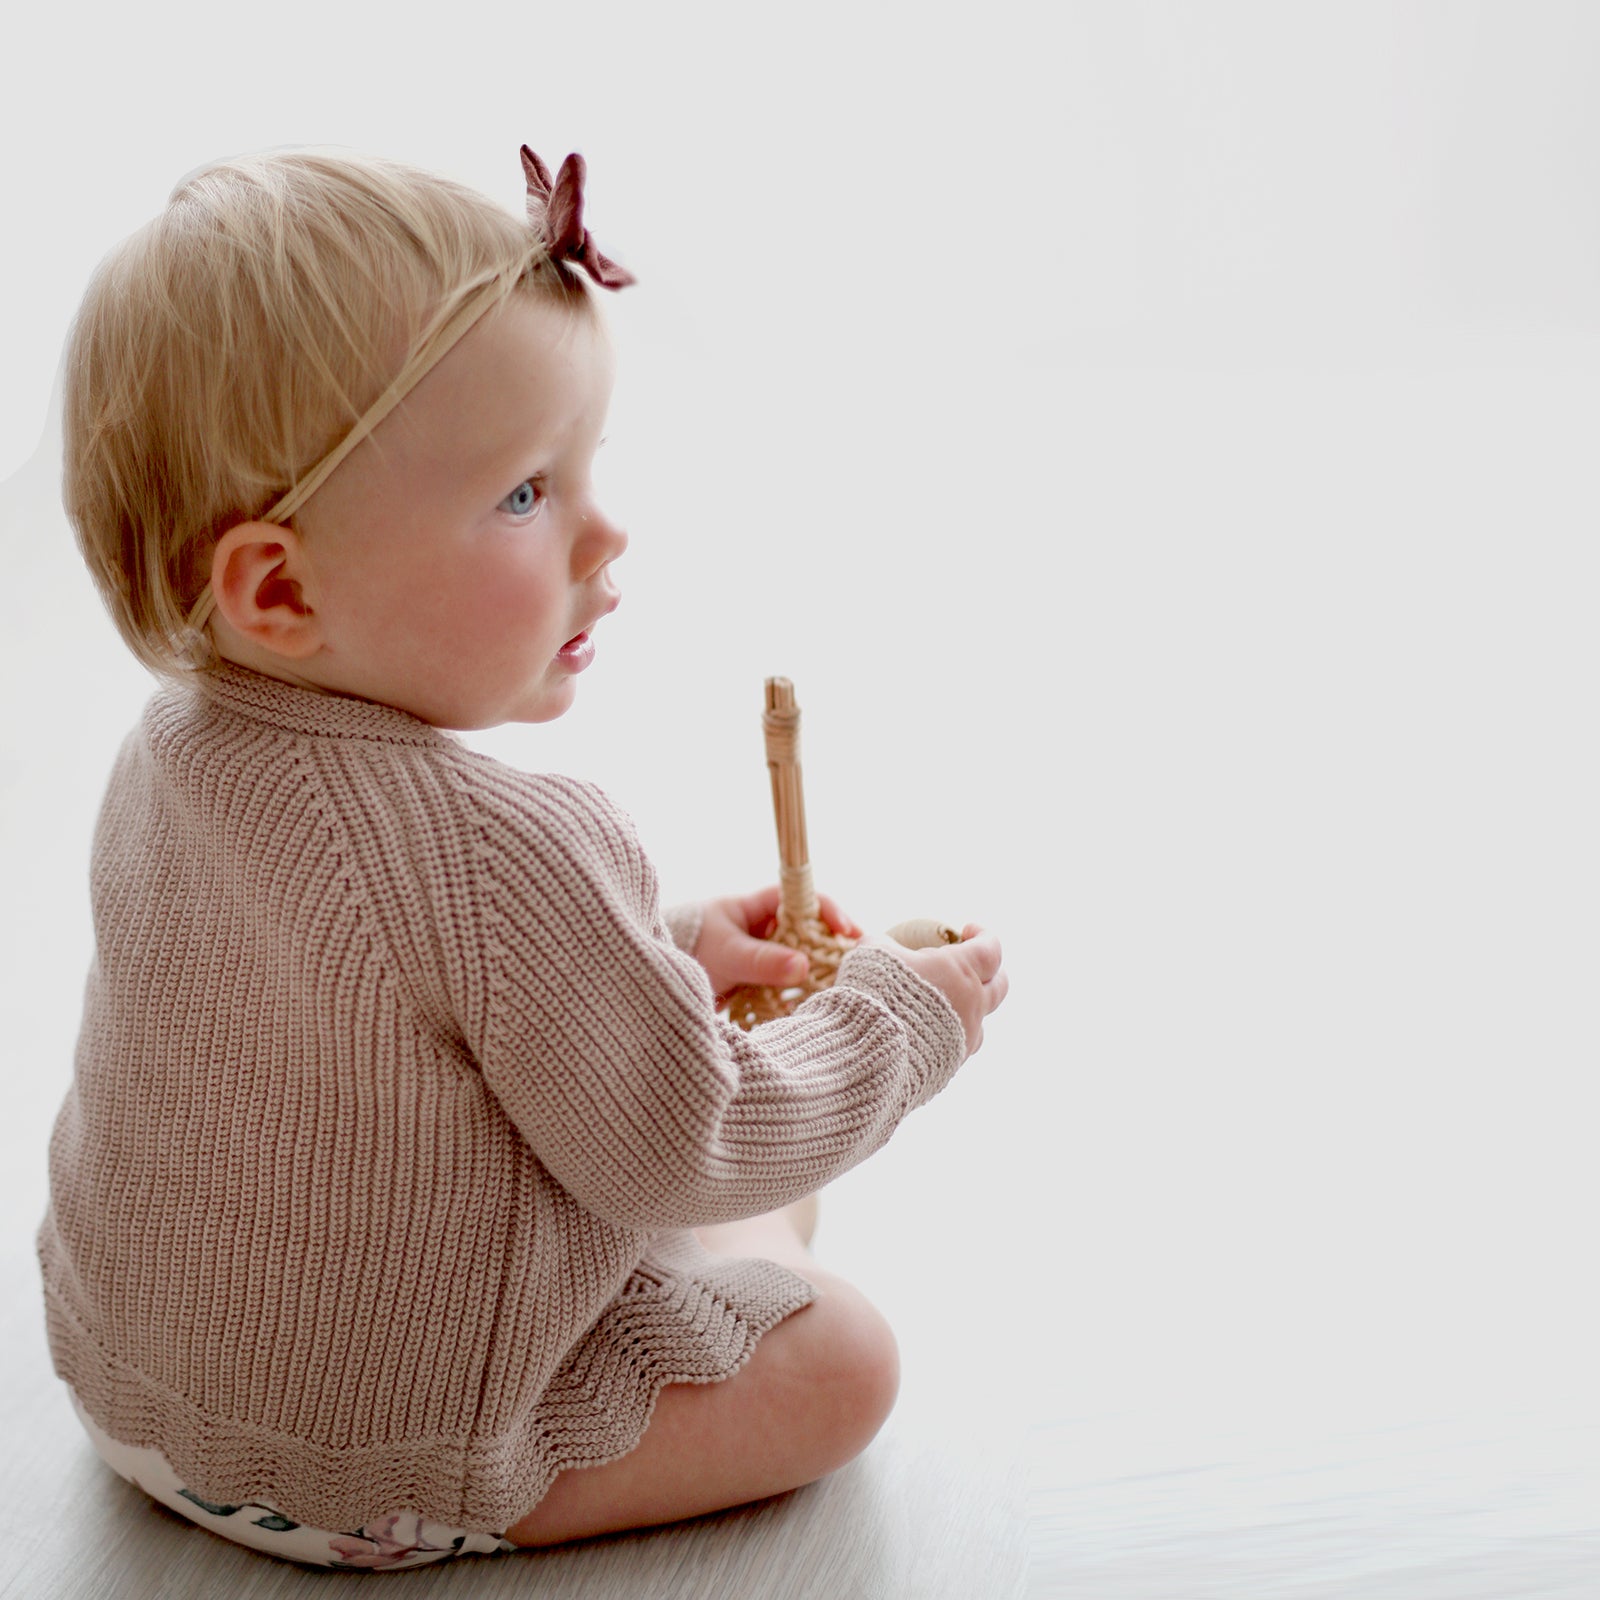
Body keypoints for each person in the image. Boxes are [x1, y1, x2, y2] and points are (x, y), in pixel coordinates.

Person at [37, 143, 1009, 1572]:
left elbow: (355, 1001)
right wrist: (903, 1020)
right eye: (521, 494)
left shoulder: (167, 749)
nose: (605, 529)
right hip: (363, 1476)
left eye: (586, 464)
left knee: (692, 1147)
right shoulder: (512, 848)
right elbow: (693, 1147)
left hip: (137, 1396)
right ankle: (703, 1316)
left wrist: (665, 945)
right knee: (840, 1346)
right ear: (281, 586)